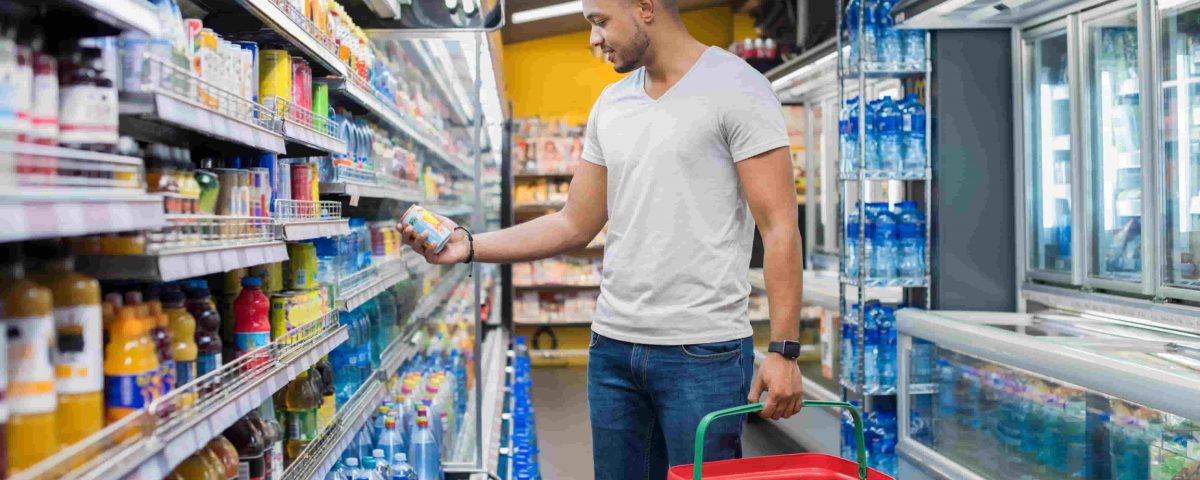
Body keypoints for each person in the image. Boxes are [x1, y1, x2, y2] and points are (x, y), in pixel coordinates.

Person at [397, 0, 804, 476]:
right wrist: (469, 244)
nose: (593, 39)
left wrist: (784, 350)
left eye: (600, 21)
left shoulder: (738, 87)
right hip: (612, 349)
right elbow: (573, 223)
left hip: (702, 354)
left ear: (646, 8)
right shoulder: (612, 104)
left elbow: (779, 226)